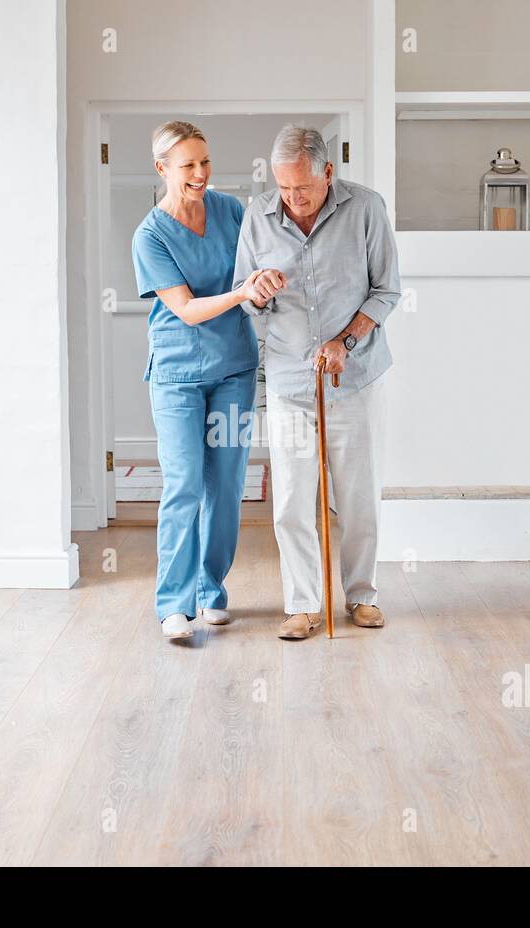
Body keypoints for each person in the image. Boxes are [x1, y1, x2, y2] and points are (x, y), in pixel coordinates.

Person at [234, 124, 401, 640]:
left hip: (353, 378)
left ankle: (361, 596)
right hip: (288, 379)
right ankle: (303, 604)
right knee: (290, 498)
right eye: (284, 188)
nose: (293, 200)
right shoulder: (257, 217)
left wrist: (343, 343)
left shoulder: (367, 208)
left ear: (328, 172)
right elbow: (245, 295)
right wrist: (256, 290)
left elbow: (386, 291)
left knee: (357, 495)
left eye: (302, 188)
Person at [131, 120, 286, 639]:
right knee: (183, 484)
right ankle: (173, 604)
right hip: (176, 376)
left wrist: (261, 285)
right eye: (187, 165)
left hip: (234, 371)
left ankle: (210, 589)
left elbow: (251, 275)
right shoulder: (150, 235)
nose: (200, 174)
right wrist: (242, 294)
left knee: (225, 485)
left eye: (205, 162)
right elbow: (188, 310)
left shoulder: (229, 211)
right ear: (162, 169)